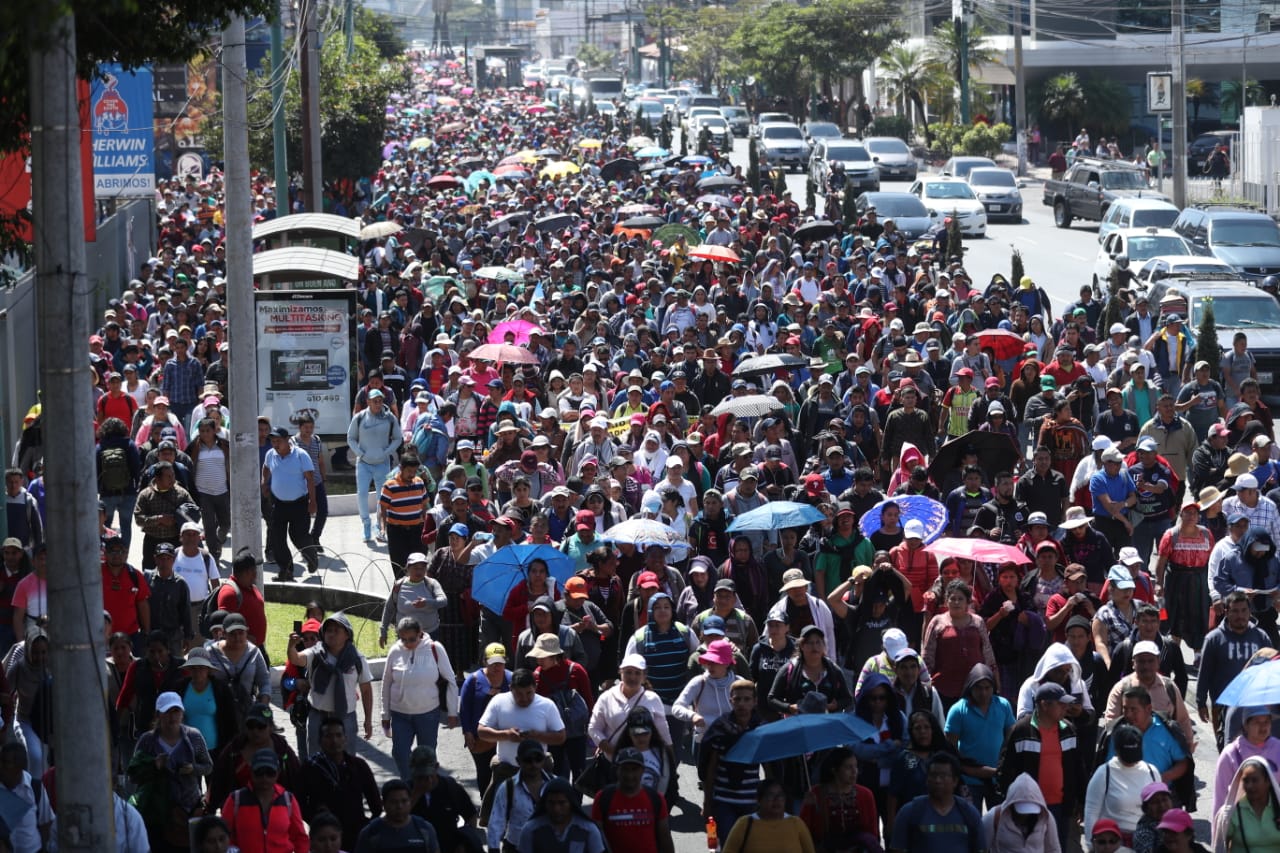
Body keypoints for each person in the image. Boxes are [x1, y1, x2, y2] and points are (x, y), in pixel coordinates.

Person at [998, 682, 1081, 851]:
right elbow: (1005, 770)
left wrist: (1079, 801)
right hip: (1027, 808)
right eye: (1061, 703)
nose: (1066, 707)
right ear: (1044, 705)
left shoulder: (1069, 730)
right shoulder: (1020, 730)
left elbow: (1078, 768)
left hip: (1060, 808)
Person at [477, 669, 566, 823]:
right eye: (519, 694)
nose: (524, 698)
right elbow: (482, 731)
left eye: (529, 693)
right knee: (500, 821)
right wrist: (506, 735)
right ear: (511, 688)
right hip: (506, 771)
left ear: (535, 688)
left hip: (538, 771)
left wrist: (536, 736)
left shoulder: (547, 705)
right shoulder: (499, 701)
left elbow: (561, 737)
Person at [129, 692, 214, 851]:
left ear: (182, 713)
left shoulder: (194, 736)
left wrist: (192, 769)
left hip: (188, 810)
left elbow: (208, 766)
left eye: (176, 711)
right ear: (158, 715)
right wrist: (154, 766)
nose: (172, 717)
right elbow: (133, 774)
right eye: (167, 712)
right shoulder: (147, 741)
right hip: (157, 814)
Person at [381, 616, 460, 781]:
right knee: (400, 753)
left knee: (427, 757)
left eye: (412, 639)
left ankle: (428, 788)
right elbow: (386, 682)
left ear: (421, 633)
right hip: (400, 714)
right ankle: (410, 786)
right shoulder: (395, 651)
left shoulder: (434, 648)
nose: (408, 643)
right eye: (403, 639)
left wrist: (453, 711)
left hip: (427, 714)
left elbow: (451, 680)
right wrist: (385, 714)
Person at [287, 612, 376, 750]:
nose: (331, 634)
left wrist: (368, 720)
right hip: (318, 715)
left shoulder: (356, 659)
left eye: (336, 630)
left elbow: (366, 690)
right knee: (317, 763)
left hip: (346, 717)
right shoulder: (315, 653)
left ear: (347, 635)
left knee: (346, 763)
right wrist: (291, 646)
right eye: (328, 630)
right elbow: (296, 659)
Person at [298, 715, 383, 851]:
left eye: (338, 735)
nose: (334, 741)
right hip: (325, 840)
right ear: (320, 740)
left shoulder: (358, 766)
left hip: (356, 837)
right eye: (328, 736)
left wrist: (366, 830)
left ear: (345, 738)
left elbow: (376, 805)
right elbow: (299, 804)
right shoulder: (310, 768)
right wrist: (317, 819)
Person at [1198, 592, 1270, 750]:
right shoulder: (1214, 639)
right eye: (1235, 611)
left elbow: (1271, 672)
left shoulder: (1261, 637)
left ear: (1249, 612)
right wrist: (1201, 701)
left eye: (1244, 610)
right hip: (1223, 706)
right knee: (1227, 751)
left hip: (1256, 705)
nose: (1240, 615)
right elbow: (1205, 672)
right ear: (1226, 611)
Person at [945, 663, 1015, 809]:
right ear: (970, 687)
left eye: (987, 688)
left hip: (998, 779)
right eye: (978, 688)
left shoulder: (1003, 705)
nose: (983, 693)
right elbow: (950, 750)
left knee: (998, 824)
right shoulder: (958, 710)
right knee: (970, 824)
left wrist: (1005, 768)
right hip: (968, 780)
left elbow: (1011, 738)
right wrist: (970, 770)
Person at [889, 752, 985, 853]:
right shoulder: (909, 812)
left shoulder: (969, 813)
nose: (937, 780)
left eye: (943, 776)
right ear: (926, 780)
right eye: (933, 775)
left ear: (955, 781)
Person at [923, 580, 997, 707]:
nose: (956, 602)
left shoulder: (977, 622)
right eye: (952, 599)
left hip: (975, 688)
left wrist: (994, 679)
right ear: (947, 601)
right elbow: (927, 656)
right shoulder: (937, 622)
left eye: (960, 599)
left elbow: (987, 652)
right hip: (944, 688)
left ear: (968, 602)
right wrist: (924, 682)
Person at [1084, 723, 1162, 844]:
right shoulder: (1104, 773)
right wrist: (1091, 844)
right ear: (1116, 749)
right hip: (1113, 842)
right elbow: (1091, 811)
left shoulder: (1152, 772)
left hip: (1145, 840)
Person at [592, 747, 677, 853]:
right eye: (625, 769)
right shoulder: (603, 798)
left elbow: (664, 836)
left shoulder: (655, 799)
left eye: (634, 769)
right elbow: (594, 837)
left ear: (642, 770)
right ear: (617, 770)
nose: (630, 775)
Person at [408, 745, 480, 853]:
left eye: (427, 774)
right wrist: (416, 794)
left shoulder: (450, 788)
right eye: (419, 776)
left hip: (448, 846)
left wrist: (464, 842)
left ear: (436, 767)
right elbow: (393, 820)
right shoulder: (405, 791)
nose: (424, 779)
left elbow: (471, 815)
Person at [487, 739, 554, 853]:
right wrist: (494, 849)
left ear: (543, 760)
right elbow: (495, 824)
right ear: (518, 761)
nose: (534, 764)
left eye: (538, 759)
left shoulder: (555, 785)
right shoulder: (508, 788)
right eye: (528, 760)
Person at [1215, 706, 1280, 817]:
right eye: (1257, 722)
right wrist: (1218, 831)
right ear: (1245, 725)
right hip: (1240, 825)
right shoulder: (1230, 754)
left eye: (1267, 722)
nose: (1263, 726)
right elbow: (1219, 798)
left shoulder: (1278, 748)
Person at [722, 778, 818, 853]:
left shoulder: (796, 824)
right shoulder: (744, 824)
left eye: (780, 795)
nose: (776, 800)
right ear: (759, 800)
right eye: (770, 795)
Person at [517, 776, 605, 853]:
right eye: (551, 803)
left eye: (562, 803)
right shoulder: (530, 830)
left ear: (571, 803)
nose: (556, 809)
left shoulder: (588, 830)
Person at [981, 772, 1061, 853]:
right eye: (1022, 810)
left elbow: (1053, 849)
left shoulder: (1046, 818)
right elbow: (979, 847)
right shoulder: (993, 817)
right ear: (1011, 804)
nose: (1025, 815)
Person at [1214, 756, 1280, 853]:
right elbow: (1221, 848)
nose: (1249, 786)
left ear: (1268, 782)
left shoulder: (1278, 807)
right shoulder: (1230, 813)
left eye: (1255, 780)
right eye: (1246, 781)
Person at [356, 778, 441, 853]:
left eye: (404, 801)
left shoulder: (425, 829)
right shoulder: (371, 833)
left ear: (410, 801)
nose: (399, 806)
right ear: (384, 804)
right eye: (393, 802)